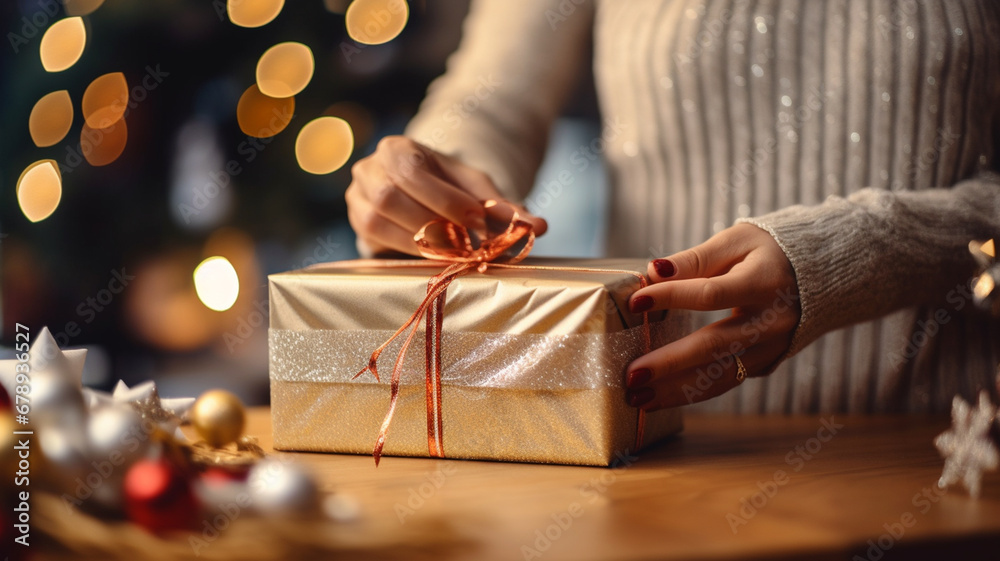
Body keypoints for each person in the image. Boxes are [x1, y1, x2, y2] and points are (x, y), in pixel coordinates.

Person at [346, 0, 1000, 413]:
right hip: (658, 456)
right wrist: (435, 172)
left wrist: (864, 251)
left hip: (944, 459)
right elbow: (492, 96)